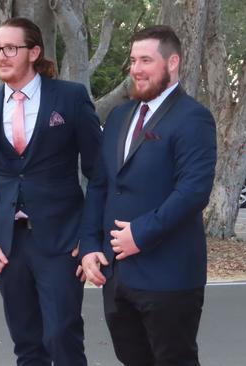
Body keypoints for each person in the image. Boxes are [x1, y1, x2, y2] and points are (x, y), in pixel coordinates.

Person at [0, 17, 102, 366]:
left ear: (33, 52)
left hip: (62, 241)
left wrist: (90, 237)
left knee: (61, 337)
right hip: (8, 243)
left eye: (10, 48)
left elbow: (98, 173)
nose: (1, 56)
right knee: (27, 344)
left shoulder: (69, 97)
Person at [79, 25, 217, 366]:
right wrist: (89, 244)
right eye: (133, 60)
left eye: (145, 60)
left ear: (172, 63)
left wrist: (140, 234)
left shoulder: (194, 118)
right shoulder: (119, 116)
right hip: (117, 276)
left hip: (169, 274)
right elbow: (100, 184)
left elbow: (193, 191)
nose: (136, 69)